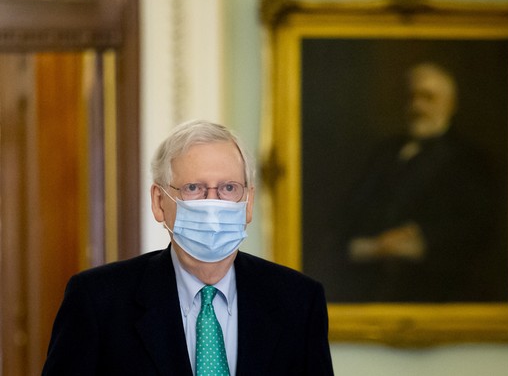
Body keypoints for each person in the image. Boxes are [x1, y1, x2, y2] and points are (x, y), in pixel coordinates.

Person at [42, 120, 334, 375]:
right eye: (194, 188)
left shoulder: (298, 301)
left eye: (229, 188)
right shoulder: (98, 301)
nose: (213, 204)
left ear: (249, 202)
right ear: (159, 202)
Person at [339, 62, 498, 303]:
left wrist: (418, 235)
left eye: (428, 97)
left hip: (436, 288)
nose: (417, 106)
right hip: (370, 283)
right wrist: (368, 244)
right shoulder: (385, 152)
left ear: (450, 104)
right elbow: (352, 210)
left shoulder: (469, 160)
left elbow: (476, 226)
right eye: (412, 97)